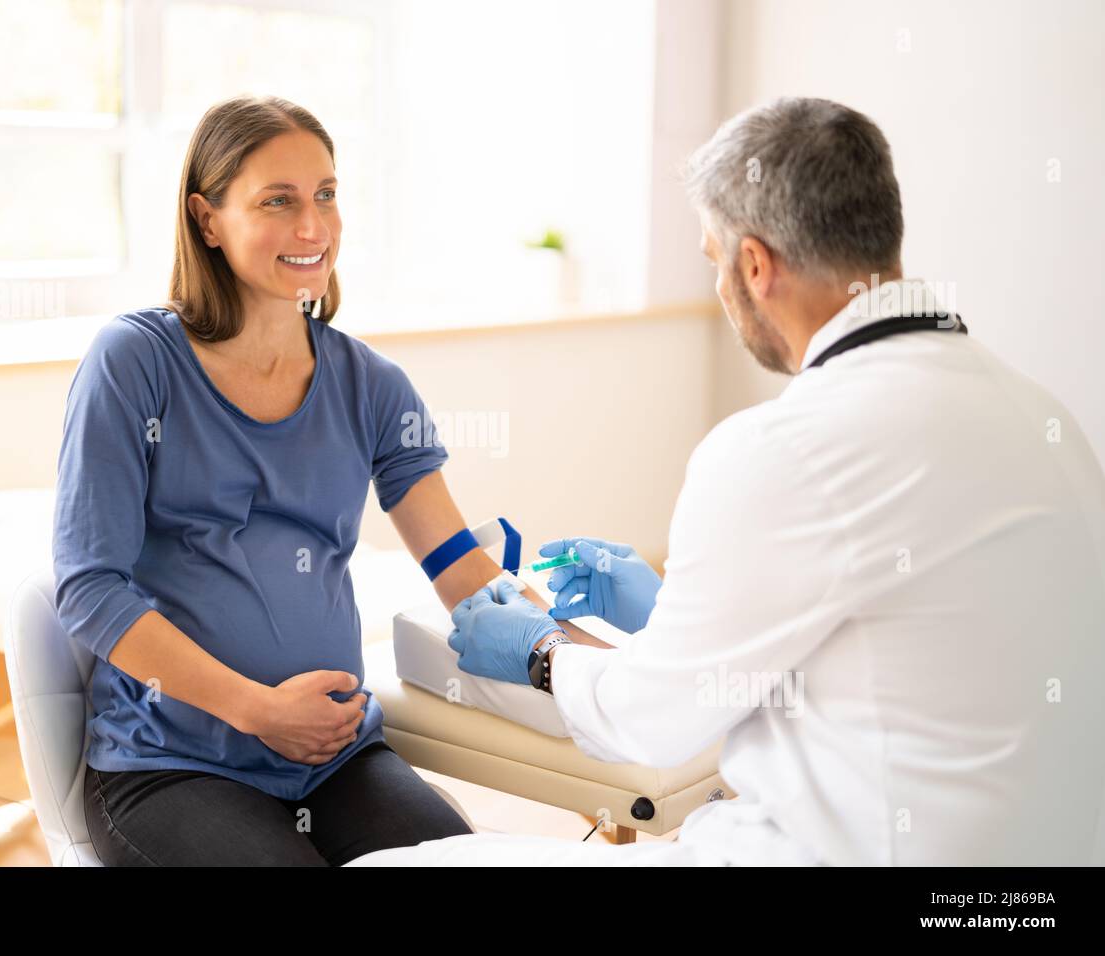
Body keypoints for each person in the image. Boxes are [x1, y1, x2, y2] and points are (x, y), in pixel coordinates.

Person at [348, 97, 1105, 867]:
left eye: (714, 260)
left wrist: (539, 650)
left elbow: (649, 726)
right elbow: (893, 654)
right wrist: (671, 620)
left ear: (754, 264)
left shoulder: (781, 448)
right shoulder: (1042, 418)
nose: (717, 287)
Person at [52, 95, 600, 865]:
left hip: (332, 757)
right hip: (168, 767)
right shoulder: (135, 363)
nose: (313, 227)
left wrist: (585, 661)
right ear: (207, 220)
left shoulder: (369, 384)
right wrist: (257, 710)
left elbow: (460, 571)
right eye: (278, 201)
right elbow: (89, 589)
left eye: (326, 195)